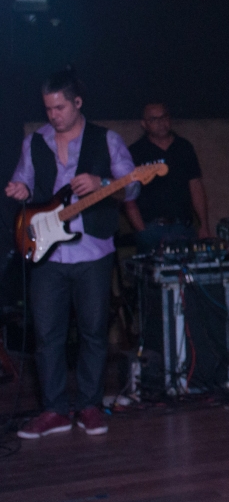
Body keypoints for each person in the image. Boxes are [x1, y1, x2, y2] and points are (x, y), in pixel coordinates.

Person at [6, 70, 138, 439]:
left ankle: (90, 405)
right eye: (48, 109)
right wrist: (20, 189)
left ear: (78, 103)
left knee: (94, 332)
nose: (53, 115)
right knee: (47, 335)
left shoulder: (106, 139)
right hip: (46, 252)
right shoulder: (35, 141)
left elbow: (132, 187)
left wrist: (102, 183)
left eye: (60, 108)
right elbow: (25, 180)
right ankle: (54, 410)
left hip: (93, 249)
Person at [124, 102, 210, 254]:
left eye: (164, 117)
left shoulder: (184, 147)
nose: (161, 123)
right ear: (144, 124)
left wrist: (204, 225)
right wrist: (142, 230)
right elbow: (127, 195)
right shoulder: (136, 151)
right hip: (151, 228)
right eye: (154, 119)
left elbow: (196, 186)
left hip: (183, 227)